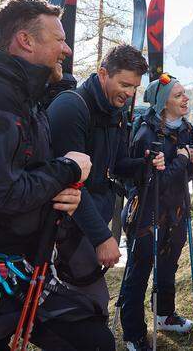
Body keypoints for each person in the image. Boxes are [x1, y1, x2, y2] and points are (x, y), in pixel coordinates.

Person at [0, 0, 115, 350]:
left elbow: (21, 172)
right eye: (58, 39)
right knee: (94, 343)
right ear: (26, 41)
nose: (67, 48)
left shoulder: (18, 97)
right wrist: (67, 169)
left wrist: (62, 188)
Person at [46, 43, 148, 316]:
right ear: (103, 73)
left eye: (134, 87)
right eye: (125, 84)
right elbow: (69, 183)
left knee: (83, 305)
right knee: (93, 306)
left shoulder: (113, 113)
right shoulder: (72, 108)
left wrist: (148, 163)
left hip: (93, 217)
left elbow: (117, 165)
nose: (129, 93)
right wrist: (102, 237)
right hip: (68, 224)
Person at [118, 74, 193, 351]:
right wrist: (182, 159)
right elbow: (153, 183)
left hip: (176, 210)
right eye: (178, 95)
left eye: (184, 93)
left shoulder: (186, 129)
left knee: (168, 265)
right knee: (138, 271)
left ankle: (164, 315)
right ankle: (133, 334)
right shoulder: (147, 134)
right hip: (146, 213)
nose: (185, 98)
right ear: (162, 102)